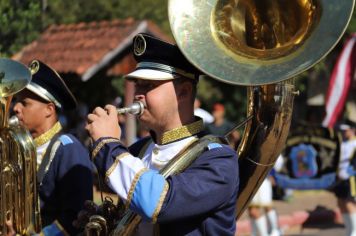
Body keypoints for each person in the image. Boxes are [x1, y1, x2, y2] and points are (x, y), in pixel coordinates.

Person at [85, 33, 239, 235]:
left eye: (148, 85)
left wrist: (108, 144)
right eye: (137, 84)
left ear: (183, 92)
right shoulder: (139, 149)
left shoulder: (219, 160)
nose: (138, 93)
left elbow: (156, 203)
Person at [11, 60, 94, 235]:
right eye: (16, 101)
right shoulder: (21, 147)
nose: (16, 108)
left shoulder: (68, 149)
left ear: (49, 109)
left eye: (25, 103)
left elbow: (76, 217)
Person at [333, 120, 356, 236]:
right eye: (341, 131)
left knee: (349, 203)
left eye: (345, 130)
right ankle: (349, 231)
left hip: (351, 180)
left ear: (352, 130)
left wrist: (349, 173)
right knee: (341, 203)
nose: (343, 133)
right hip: (340, 179)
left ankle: (354, 232)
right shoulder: (342, 143)